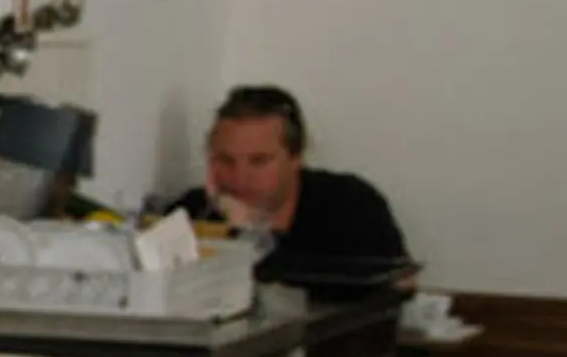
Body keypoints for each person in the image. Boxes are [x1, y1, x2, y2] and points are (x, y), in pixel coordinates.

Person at [170, 85, 414, 291]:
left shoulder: (351, 205)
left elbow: (401, 284)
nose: (239, 177)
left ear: (295, 157)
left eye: (259, 161)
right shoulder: (193, 213)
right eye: (225, 160)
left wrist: (252, 232)